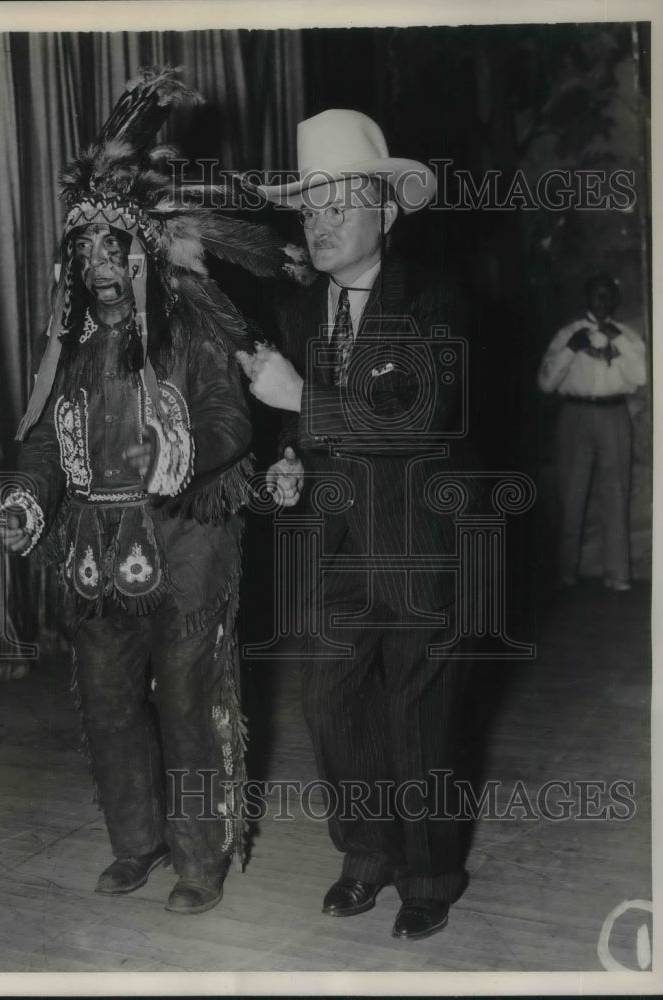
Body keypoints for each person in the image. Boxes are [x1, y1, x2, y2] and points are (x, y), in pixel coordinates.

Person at [0, 68, 304, 914]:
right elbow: (41, 440)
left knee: (185, 698)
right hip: (97, 559)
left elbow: (232, 420)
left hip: (186, 542)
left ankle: (199, 862)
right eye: (86, 250)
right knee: (105, 703)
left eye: (115, 248)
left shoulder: (192, 332)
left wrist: (188, 450)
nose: (100, 265)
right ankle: (135, 843)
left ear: (143, 255)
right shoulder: (72, 351)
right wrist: (26, 496)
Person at [238, 109, 477, 940]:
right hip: (337, 548)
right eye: (309, 208)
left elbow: (415, 413)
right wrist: (292, 461)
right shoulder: (304, 312)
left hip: (418, 549)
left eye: (340, 204)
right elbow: (313, 428)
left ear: (387, 209)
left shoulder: (435, 300)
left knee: (419, 712)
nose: (321, 222)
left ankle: (430, 870)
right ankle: (367, 852)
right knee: (329, 703)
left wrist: (299, 398)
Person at [537, 274, 646, 591]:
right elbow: (545, 383)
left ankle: (618, 574)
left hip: (615, 414)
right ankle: (565, 573)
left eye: (608, 296)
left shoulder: (626, 335)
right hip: (575, 413)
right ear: (587, 298)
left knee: (617, 491)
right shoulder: (568, 335)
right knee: (571, 493)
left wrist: (619, 342)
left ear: (615, 300)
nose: (603, 302)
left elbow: (642, 376)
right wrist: (571, 350)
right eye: (597, 296)